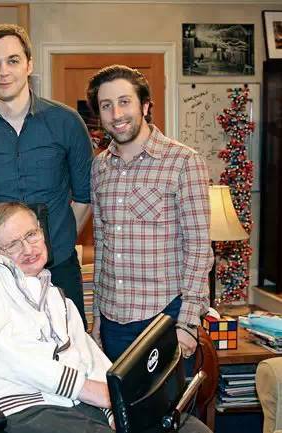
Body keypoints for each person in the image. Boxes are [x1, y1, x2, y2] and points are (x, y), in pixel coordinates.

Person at [0, 202, 212, 433]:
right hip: (23, 407)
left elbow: (89, 357)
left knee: (190, 429)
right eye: (13, 244)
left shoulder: (57, 298)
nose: (28, 248)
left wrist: (114, 406)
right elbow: (4, 354)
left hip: (73, 404)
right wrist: (85, 389)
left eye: (32, 235)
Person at [0, 24, 93, 328]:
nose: (3, 71)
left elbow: (83, 197)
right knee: (6, 353)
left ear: (29, 64)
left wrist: (56, 239)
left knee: (72, 347)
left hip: (59, 267)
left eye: (13, 60)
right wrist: (9, 246)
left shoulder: (67, 123)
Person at [86, 65, 213, 362]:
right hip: (113, 320)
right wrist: (97, 318)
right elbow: (102, 245)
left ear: (144, 106)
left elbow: (198, 248)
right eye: (106, 105)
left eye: (124, 102)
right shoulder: (99, 167)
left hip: (165, 316)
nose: (116, 114)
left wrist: (187, 323)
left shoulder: (183, 161)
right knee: (116, 395)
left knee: (172, 395)